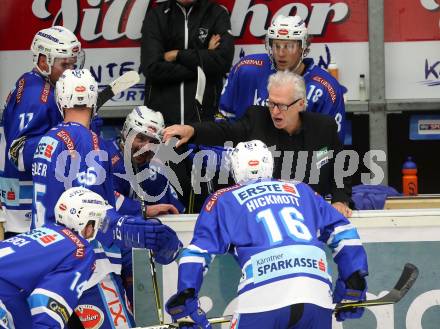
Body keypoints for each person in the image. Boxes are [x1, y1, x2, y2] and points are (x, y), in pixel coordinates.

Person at [32, 68, 182, 329]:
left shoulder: (47, 141)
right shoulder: (90, 141)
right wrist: (144, 231)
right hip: (83, 263)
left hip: (46, 257)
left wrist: (142, 210)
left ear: (61, 99)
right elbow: (92, 208)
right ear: (91, 100)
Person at [165, 140, 368, 329]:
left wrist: (186, 295)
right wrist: (353, 280)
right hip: (315, 293)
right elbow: (344, 232)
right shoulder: (302, 190)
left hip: (262, 297)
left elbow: (198, 252)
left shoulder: (222, 199)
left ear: (235, 168)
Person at [163, 70, 353, 217]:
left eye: (282, 106)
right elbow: (225, 131)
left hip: (309, 214)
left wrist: (340, 200)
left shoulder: (324, 128)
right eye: (271, 103)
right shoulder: (257, 120)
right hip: (265, 214)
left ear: (301, 104)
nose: (275, 112)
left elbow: (340, 168)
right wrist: (193, 130)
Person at [0, 26, 102, 238]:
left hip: (32, 208)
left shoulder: (39, 84)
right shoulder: (36, 95)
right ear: (44, 61)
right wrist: (67, 133)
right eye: (64, 64)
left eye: (73, 64)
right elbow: (17, 154)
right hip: (25, 211)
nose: (71, 71)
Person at [219, 15, 347, 142]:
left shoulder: (326, 88)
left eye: (289, 46)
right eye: (276, 45)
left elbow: (331, 145)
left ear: (303, 47)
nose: (281, 53)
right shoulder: (246, 70)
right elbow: (223, 121)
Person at [0, 187, 110, 329]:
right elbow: (47, 305)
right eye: (98, 221)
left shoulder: (45, 230)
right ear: (86, 221)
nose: (99, 227)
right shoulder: (80, 249)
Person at [141, 0, 234, 125]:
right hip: (161, 122)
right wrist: (204, 59)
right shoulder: (157, 15)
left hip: (204, 120)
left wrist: (176, 55)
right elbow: (152, 68)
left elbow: (223, 62)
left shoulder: (216, 13)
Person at [104, 106, 185, 216]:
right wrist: (143, 210)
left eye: (153, 142)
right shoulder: (104, 155)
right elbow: (100, 199)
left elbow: (175, 211)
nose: (146, 147)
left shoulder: (155, 170)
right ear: (126, 133)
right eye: (141, 138)